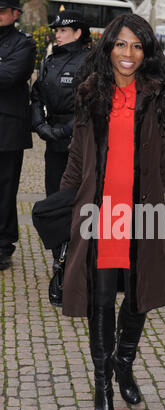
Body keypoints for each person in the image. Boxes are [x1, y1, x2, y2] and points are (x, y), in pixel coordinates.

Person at [59, 13, 165, 410]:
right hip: (99, 214)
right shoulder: (90, 94)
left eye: (137, 46)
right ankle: (103, 384)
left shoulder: (159, 96)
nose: (129, 54)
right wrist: (63, 202)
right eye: (121, 44)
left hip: (143, 212)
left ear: (146, 51)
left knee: (139, 298)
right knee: (101, 299)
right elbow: (77, 154)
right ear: (108, 47)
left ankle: (124, 363)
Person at [31, 10, 90, 265]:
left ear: (78, 33)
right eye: (57, 31)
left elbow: (92, 106)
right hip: (53, 140)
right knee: (54, 195)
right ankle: (60, 255)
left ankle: (80, 254)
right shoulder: (50, 61)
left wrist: (67, 130)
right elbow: (37, 95)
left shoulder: (91, 62)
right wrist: (39, 125)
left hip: (80, 140)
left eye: (63, 31)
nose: (58, 35)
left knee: (78, 197)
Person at [0, 0, 36, 270]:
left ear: (14, 14)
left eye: (1, 10)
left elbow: (11, 76)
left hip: (7, 127)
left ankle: (3, 246)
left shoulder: (23, 43)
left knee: (4, 187)